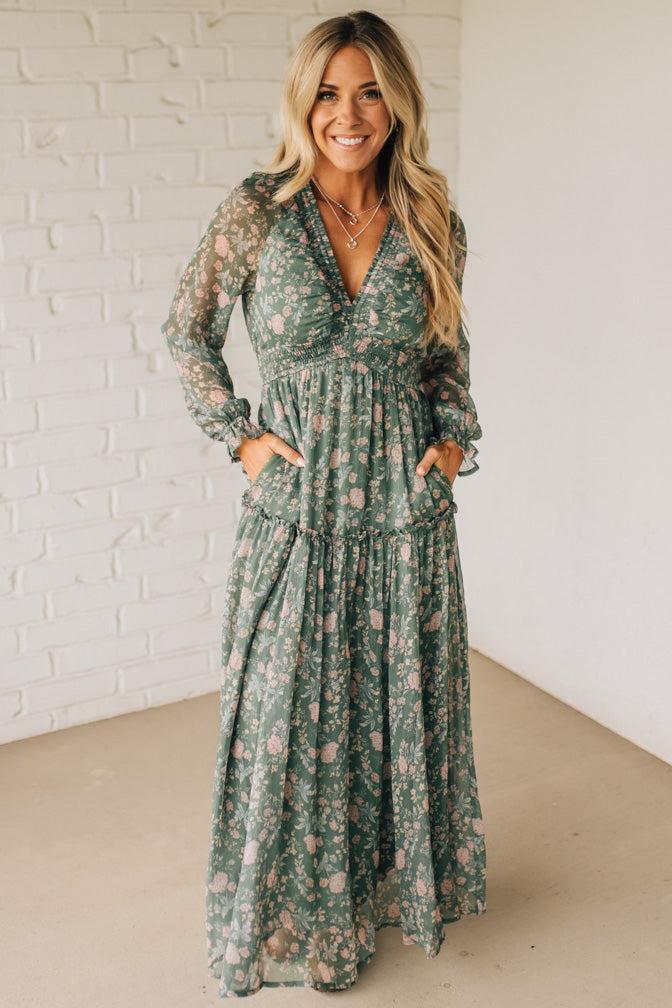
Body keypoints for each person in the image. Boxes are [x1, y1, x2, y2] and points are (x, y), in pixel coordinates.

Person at [161, 9, 486, 997]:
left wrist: (449, 439)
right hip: (296, 513)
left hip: (400, 513)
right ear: (305, 101)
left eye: (372, 90)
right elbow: (186, 334)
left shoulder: (433, 218)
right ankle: (290, 917)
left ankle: (376, 896)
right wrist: (242, 438)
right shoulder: (258, 211)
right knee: (283, 715)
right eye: (331, 91)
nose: (351, 113)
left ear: (399, 103)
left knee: (392, 711)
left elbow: (446, 359)